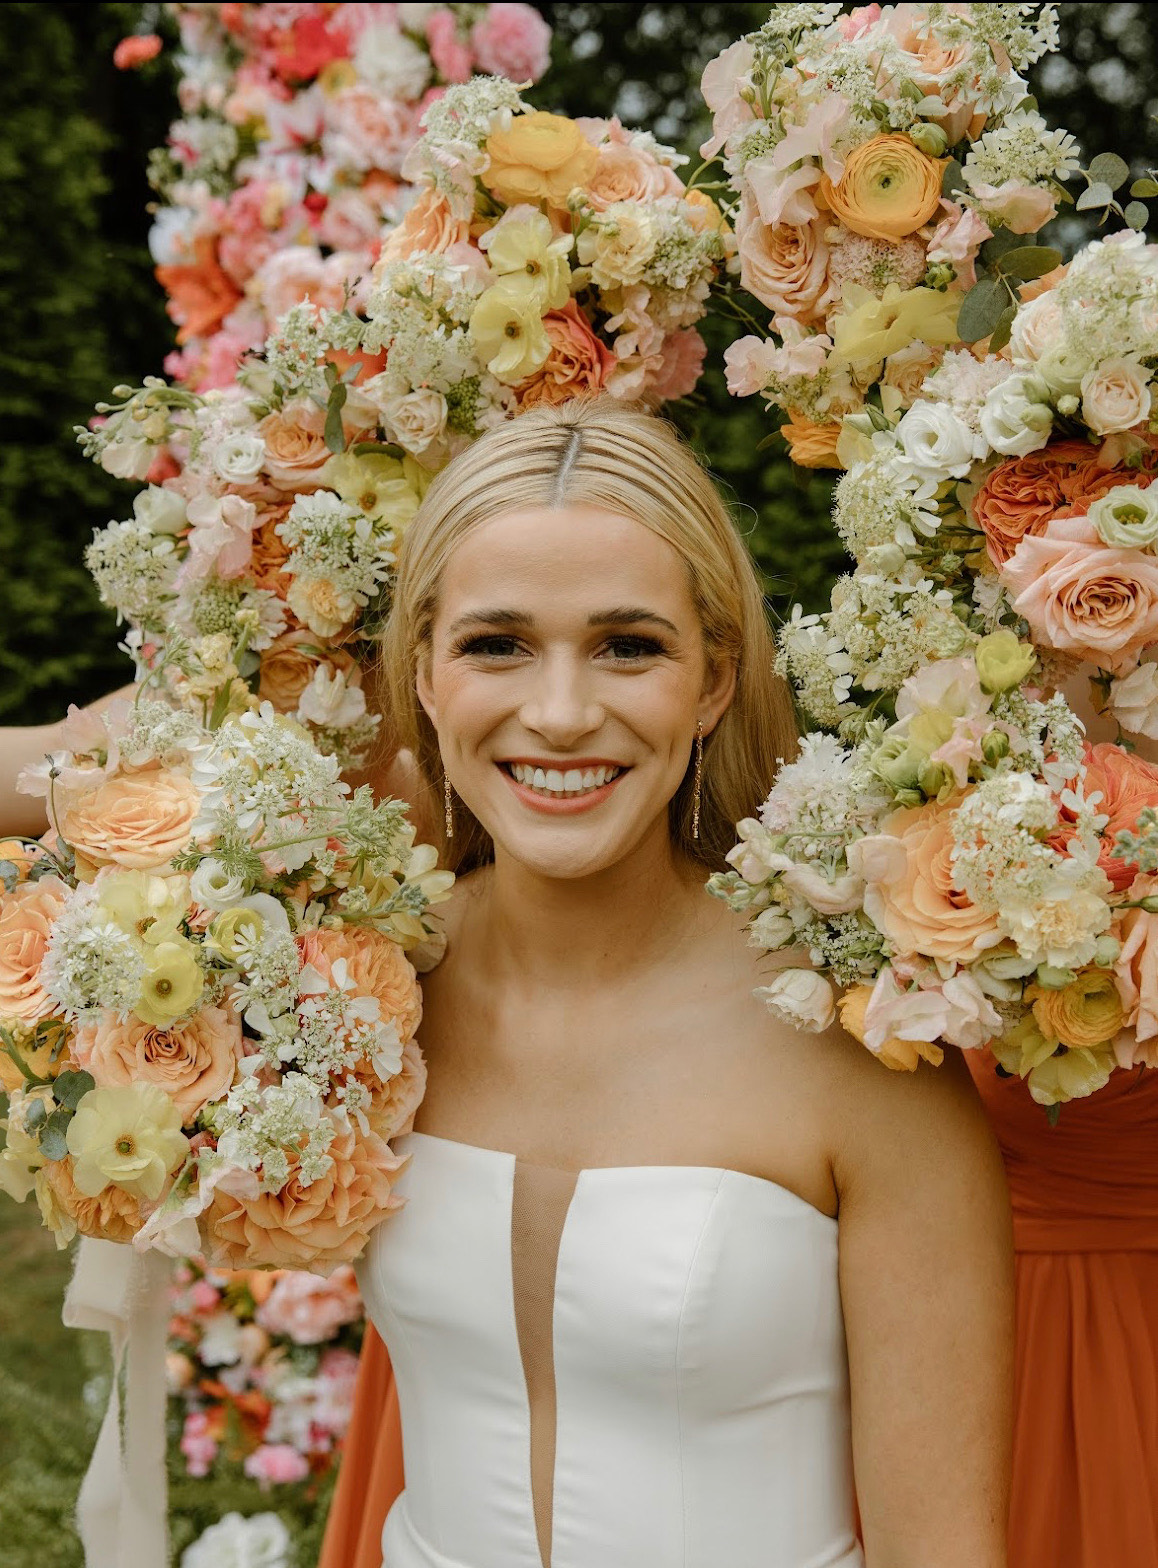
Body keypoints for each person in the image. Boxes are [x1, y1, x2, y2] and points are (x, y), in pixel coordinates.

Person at [314, 396, 1013, 1568]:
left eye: (628, 645)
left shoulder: (857, 1037)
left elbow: (941, 1546)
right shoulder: (351, 985)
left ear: (714, 680)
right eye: (497, 644)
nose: (561, 712)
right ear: (424, 675)